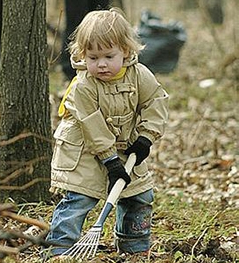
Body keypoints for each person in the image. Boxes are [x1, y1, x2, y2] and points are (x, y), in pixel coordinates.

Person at [44, 7, 169, 259]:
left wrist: (145, 138)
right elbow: (92, 126)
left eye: (108, 56)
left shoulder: (139, 75)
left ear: (126, 50)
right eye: (93, 57)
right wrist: (109, 161)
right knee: (78, 200)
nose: (101, 64)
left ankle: (134, 248)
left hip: (128, 148)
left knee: (139, 196)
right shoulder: (83, 86)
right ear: (82, 55)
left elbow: (156, 102)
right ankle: (59, 249)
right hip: (84, 153)